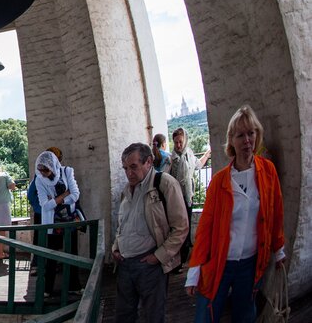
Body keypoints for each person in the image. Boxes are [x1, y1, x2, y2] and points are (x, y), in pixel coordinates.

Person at [184, 105, 285, 323]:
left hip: (250, 264)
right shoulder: (220, 181)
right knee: (207, 315)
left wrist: (279, 251)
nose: (247, 140)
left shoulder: (268, 172)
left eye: (251, 133)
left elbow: (275, 213)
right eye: (240, 135)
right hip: (220, 261)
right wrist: (194, 271)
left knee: (245, 315)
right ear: (231, 140)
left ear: (257, 136)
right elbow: (205, 228)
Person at [112, 142, 188, 323]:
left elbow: (181, 227)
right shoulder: (127, 190)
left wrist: (158, 256)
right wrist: (116, 247)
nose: (129, 173)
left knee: (153, 315)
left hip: (150, 265)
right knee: (124, 315)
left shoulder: (165, 184)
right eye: (125, 168)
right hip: (124, 264)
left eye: (133, 167)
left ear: (149, 162)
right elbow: (123, 224)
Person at [34, 150, 83, 296]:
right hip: (52, 222)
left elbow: (75, 194)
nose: (43, 173)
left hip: (69, 220)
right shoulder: (39, 180)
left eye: (46, 170)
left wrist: (54, 200)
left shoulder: (67, 172)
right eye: (41, 170)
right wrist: (63, 196)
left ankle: (73, 286)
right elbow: (44, 204)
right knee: (51, 256)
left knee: (72, 253)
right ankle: (47, 288)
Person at [170, 127, 211, 266]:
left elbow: (198, 165)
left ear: (185, 141)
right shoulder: (172, 159)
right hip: (176, 199)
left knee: (186, 226)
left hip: (188, 196)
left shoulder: (189, 154)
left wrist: (207, 153)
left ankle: (184, 257)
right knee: (179, 227)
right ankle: (178, 259)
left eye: (180, 142)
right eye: (176, 142)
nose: (178, 145)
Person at [27, 147, 63, 225]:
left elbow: (30, 195)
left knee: (43, 236)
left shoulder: (41, 174)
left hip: (44, 212)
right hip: (54, 213)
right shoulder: (61, 174)